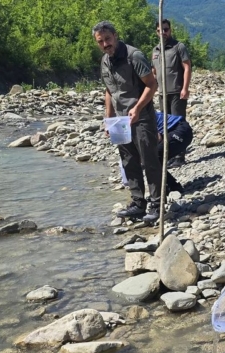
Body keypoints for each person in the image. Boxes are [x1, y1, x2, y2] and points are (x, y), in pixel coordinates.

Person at [94, 21, 162, 224]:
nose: (106, 44)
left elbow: (152, 84)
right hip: (120, 120)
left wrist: (138, 108)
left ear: (115, 35)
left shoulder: (135, 56)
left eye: (108, 39)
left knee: (149, 160)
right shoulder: (105, 62)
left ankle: (157, 204)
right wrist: (109, 119)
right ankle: (138, 203)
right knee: (128, 161)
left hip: (141, 116)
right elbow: (109, 91)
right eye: (101, 41)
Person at [152, 19, 192, 118]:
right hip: (162, 94)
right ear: (156, 32)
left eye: (165, 30)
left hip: (177, 93)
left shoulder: (179, 47)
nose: (163, 33)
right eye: (159, 30)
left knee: (177, 122)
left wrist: (185, 89)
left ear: (170, 30)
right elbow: (154, 72)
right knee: (165, 123)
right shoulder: (155, 50)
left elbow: (187, 67)